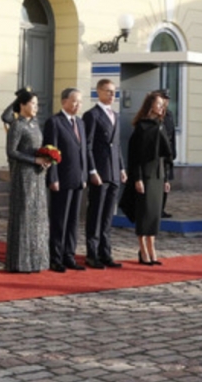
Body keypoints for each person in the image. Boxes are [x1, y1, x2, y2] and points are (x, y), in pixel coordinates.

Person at [2, 88, 52, 273]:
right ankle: (20, 261)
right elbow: (12, 152)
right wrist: (34, 160)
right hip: (23, 175)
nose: (36, 107)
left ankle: (37, 260)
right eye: (32, 103)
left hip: (38, 175)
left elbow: (37, 148)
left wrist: (46, 158)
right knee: (24, 216)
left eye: (37, 104)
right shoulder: (17, 125)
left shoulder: (35, 124)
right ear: (22, 105)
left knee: (37, 217)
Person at [41, 87, 90, 273]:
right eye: (74, 101)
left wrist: (84, 175)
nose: (78, 105)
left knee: (73, 220)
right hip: (61, 178)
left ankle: (69, 255)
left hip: (77, 178)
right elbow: (50, 151)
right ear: (64, 102)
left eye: (80, 102)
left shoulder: (80, 123)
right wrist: (53, 178)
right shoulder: (54, 122)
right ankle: (56, 257)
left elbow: (83, 151)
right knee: (59, 219)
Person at [126, 91, 173, 265]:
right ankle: (143, 250)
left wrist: (166, 179)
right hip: (145, 175)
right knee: (144, 214)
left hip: (158, 175)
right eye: (158, 104)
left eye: (163, 104)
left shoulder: (161, 124)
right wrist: (137, 178)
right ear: (150, 105)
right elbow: (135, 156)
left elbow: (165, 155)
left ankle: (152, 248)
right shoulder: (141, 126)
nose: (161, 107)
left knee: (154, 214)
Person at [83, 78, 125, 269]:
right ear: (99, 91)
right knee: (96, 213)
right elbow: (88, 146)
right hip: (100, 172)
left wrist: (121, 168)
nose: (112, 94)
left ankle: (105, 252)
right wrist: (92, 170)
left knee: (108, 216)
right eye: (108, 91)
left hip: (114, 172)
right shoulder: (92, 115)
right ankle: (92, 254)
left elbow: (117, 145)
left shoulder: (115, 115)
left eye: (114, 91)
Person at [158, 92, 178, 219]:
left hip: (168, 154)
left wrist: (173, 151)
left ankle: (162, 208)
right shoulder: (157, 115)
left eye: (167, 99)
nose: (166, 101)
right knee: (159, 182)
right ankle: (157, 208)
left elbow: (172, 135)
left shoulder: (169, 114)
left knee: (166, 182)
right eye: (164, 99)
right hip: (159, 153)